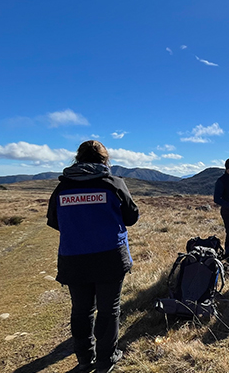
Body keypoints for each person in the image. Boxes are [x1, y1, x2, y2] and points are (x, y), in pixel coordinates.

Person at [46, 140, 139, 373]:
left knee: (81, 309)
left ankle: (85, 359)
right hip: (110, 256)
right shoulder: (112, 183)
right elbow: (131, 216)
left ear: (78, 158)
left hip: (74, 257)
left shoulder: (63, 187)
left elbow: (54, 221)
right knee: (109, 309)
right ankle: (106, 359)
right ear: (104, 159)